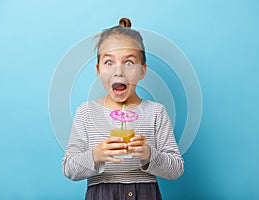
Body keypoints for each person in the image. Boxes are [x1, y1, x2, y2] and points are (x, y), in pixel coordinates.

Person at [62, 18, 184, 200]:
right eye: (109, 63)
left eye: (129, 63)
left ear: (142, 70)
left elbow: (176, 169)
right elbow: (69, 169)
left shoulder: (156, 113)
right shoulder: (86, 113)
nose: (118, 72)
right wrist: (96, 155)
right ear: (98, 70)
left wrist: (150, 155)